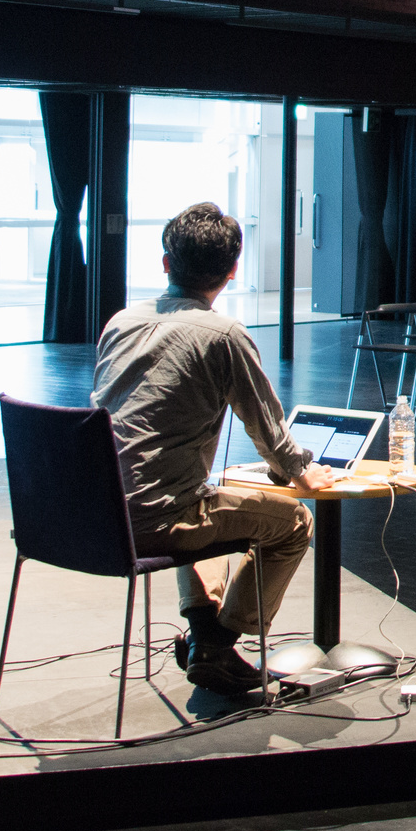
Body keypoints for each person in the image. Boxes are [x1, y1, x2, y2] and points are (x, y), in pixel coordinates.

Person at [95, 203, 337, 697]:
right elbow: (268, 430)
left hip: (94, 515)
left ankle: (205, 636)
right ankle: (219, 644)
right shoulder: (224, 335)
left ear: (167, 263)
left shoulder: (120, 322)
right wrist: (302, 474)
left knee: (203, 494)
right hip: (157, 521)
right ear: (232, 271)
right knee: (294, 523)